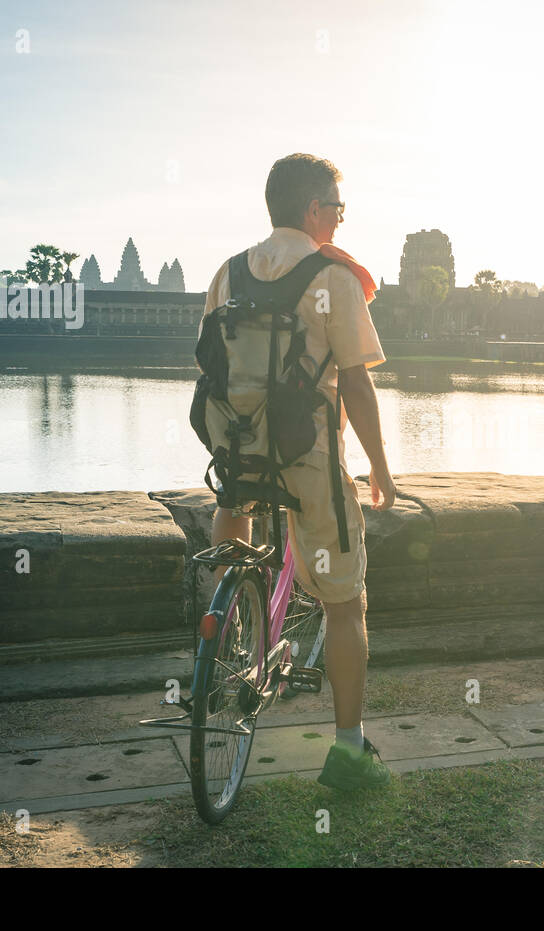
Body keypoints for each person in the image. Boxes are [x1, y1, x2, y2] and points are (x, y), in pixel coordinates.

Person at [201, 153, 397, 788]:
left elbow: (215, 368)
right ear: (314, 211)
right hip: (307, 457)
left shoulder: (228, 275)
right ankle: (348, 749)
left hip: (237, 451)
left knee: (234, 541)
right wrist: (380, 470)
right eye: (337, 210)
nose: (340, 221)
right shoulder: (330, 277)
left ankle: (225, 641)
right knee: (347, 603)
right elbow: (359, 388)